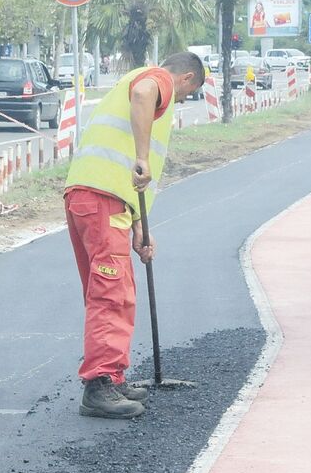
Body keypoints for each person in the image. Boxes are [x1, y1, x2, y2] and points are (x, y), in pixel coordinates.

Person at [64, 52, 205, 418]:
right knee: (112, 293)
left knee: (108, 289)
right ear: (187, 79)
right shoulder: (159, 80)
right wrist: (142, 157)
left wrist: (140, 225)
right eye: (187, 95)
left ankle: (112, 375)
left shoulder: (133, 77)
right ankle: (99, 385)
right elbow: (144, 95)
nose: (181, 100)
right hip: (102, 197)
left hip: (92, 196)